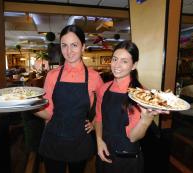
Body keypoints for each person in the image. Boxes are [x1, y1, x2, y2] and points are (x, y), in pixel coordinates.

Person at [34, 25, 103, 173]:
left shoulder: (94, 77)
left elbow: (105, 104)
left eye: (74, 45)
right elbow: (49, 113)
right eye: (64, 45)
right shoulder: (52, 75)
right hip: (53, 139)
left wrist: (95, 122)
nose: (69, 51)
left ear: (83, 47)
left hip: (79, 141)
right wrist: (28, 106)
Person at [95, 41, 169, 173]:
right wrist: (99, 141)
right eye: (115, 59)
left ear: (134, 65)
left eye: (124, 61)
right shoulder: (103, 88)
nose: (117, 65)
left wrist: (145, 120)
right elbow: (99, 118)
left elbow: (133, 137)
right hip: (104, 152)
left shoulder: (140, 94)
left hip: (127, 160)